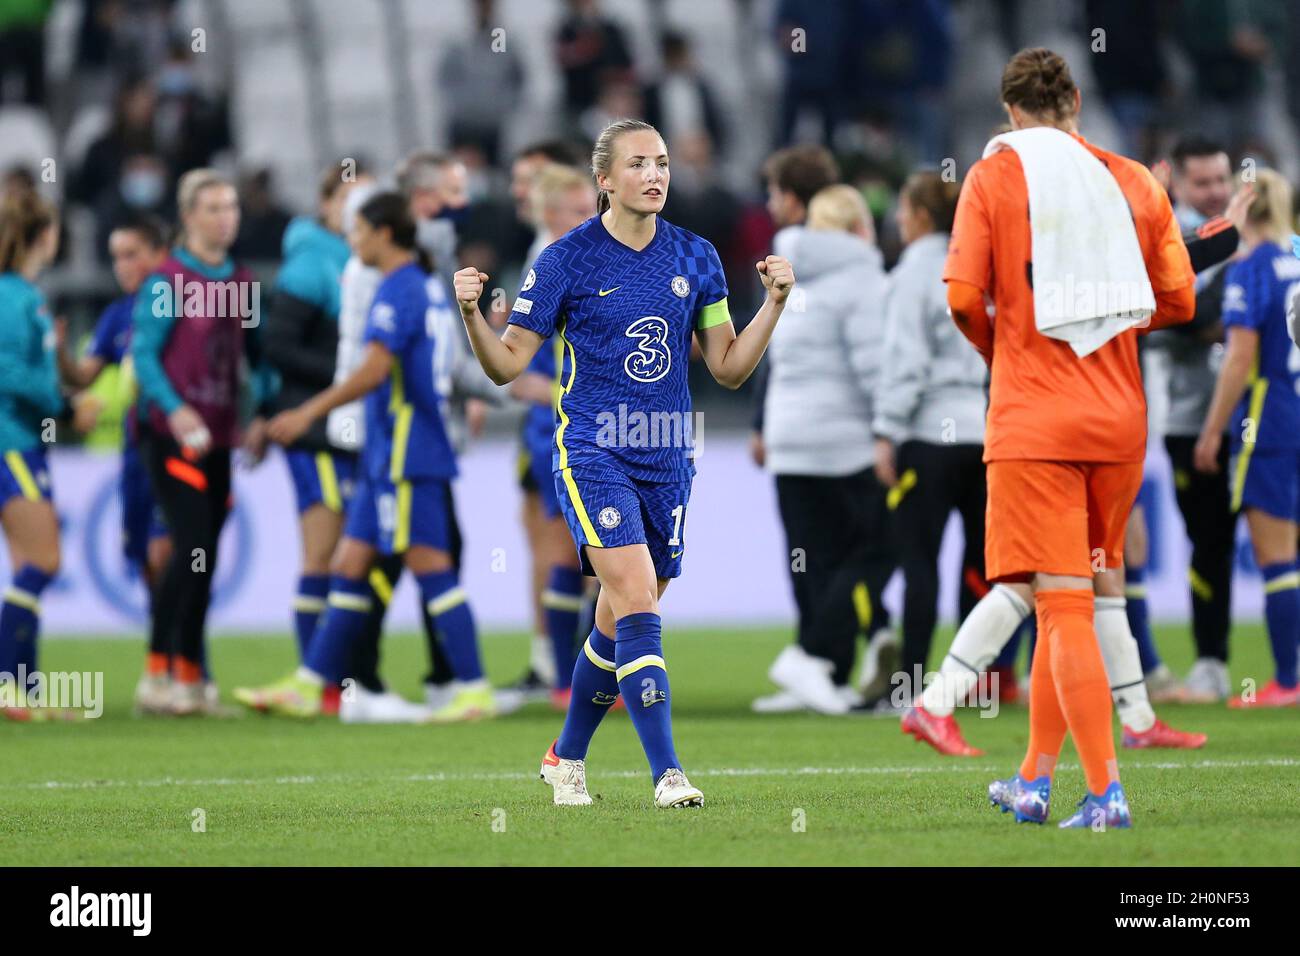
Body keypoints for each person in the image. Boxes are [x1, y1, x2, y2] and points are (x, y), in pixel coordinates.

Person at [454, 118, 795, 808]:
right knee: (636, 597)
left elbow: (728, 367)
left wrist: (775, 305)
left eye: (662, 162)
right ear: (603, 180)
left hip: (668, 453)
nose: (655, 174)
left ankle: (565, 756)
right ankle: (668, 772)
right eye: (638, 163)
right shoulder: (563, 260)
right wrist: (472, 318)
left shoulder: (696, 257)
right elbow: (506, 366)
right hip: (592, 448)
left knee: (619, 616)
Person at [943, 48, 1196, 828]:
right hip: (1120, 421)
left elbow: (960, 297)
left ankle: (1105, 792)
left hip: (1035, 419)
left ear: (1010, 109)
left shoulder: (993, 176)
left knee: (1060, 611)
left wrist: (1007, 348)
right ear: (1077, 99)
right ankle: (1033, 780)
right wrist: (1111, 324)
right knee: (1075, 602)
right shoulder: (1136, 180)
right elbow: (1179, 301)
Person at [240, 192, 494, 723]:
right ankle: (312, 683)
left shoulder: (398, 291)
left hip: (406, 451)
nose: (351, 241)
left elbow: (373, 370)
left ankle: (472, 686)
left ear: (384, 232)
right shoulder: (415, 286)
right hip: (388, 450)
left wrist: (307, 412)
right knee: (349, 566)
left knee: (430, 565)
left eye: (357, 231)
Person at [131, 168, 271, 716]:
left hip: (218, 438)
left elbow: (254, 362)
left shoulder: (242, 282)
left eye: (231, 207)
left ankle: (187, 679)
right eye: (213, 208)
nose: (226, 217)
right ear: (188, 217)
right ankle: (155, 673)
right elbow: (144, 356)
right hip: (171, 436)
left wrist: (259, 415)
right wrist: (176, 407)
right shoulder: (168, 281)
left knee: (203, 559)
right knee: (191, 546)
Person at [751, 184, 890, 716]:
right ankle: (812, 657)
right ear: (860, 227)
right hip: (845, 441)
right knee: (876, 550)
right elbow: (872, 365)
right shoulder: (863, 279)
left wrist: (764, 425)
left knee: (810, 560)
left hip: (790, 438)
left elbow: (774, 357)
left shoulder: (790, 275)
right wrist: (888, 431)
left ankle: (821, 671)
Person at [872, 171, 990, 705]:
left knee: (920, 563)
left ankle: (913, 687)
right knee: (981, 564)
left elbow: (905, 361)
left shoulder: (912, 272)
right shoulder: (979, 266)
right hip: (984, 431)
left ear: (919, 215)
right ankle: (977, 681)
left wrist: (886, 431)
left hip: (928, 435)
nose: (898, 218)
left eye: (903, 209)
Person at [56, 215, 175, 713]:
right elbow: (84, 377)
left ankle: (173, 669)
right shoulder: (117, 315)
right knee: (145, 560)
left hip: (178, 447)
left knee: (172, 554)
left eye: (132, 253)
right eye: (116, 255)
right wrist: (59, 350)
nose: (122, 265)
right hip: (135, 449)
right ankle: (175, 661)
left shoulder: (182, 304)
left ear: (157, 252)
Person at [1195, 169, 1300, 708]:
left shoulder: (1250, 268)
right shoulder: (1298, 259)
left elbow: (1238, 357)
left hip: (1269, 421)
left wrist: (1211, 431)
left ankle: (1286, 680)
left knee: (1276, 556)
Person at [1150, 137, 1241, 701]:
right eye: (1201, 183)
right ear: (1177, 184)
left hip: (1259, 416)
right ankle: (1211, 659)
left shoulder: (1245, 233)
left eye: (1220, 180)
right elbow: (1187, 316)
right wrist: (1231, 303)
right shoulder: (1169, 239)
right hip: (1189, 418)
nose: (1214, 193)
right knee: (1208, 540)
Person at [511, 164, 598, 710]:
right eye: (581, 211)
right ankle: (569, 680)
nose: (593, 219)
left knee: (591, 558)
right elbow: (517, 364)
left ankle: (572, 677)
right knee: (573, 554)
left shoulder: (581, 258)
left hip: (583, 427)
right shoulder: (552, 267)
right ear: (551, 216)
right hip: (560, 432)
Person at [0, 190, 67, 719]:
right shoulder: (13, 296)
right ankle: (8, 684)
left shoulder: (22, 295)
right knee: (44, 562)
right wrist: (63, 404)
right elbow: (7, 369)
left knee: (27, 565)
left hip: (21, 439)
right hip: (12, 442)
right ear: (43, 236)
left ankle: (25, 691)